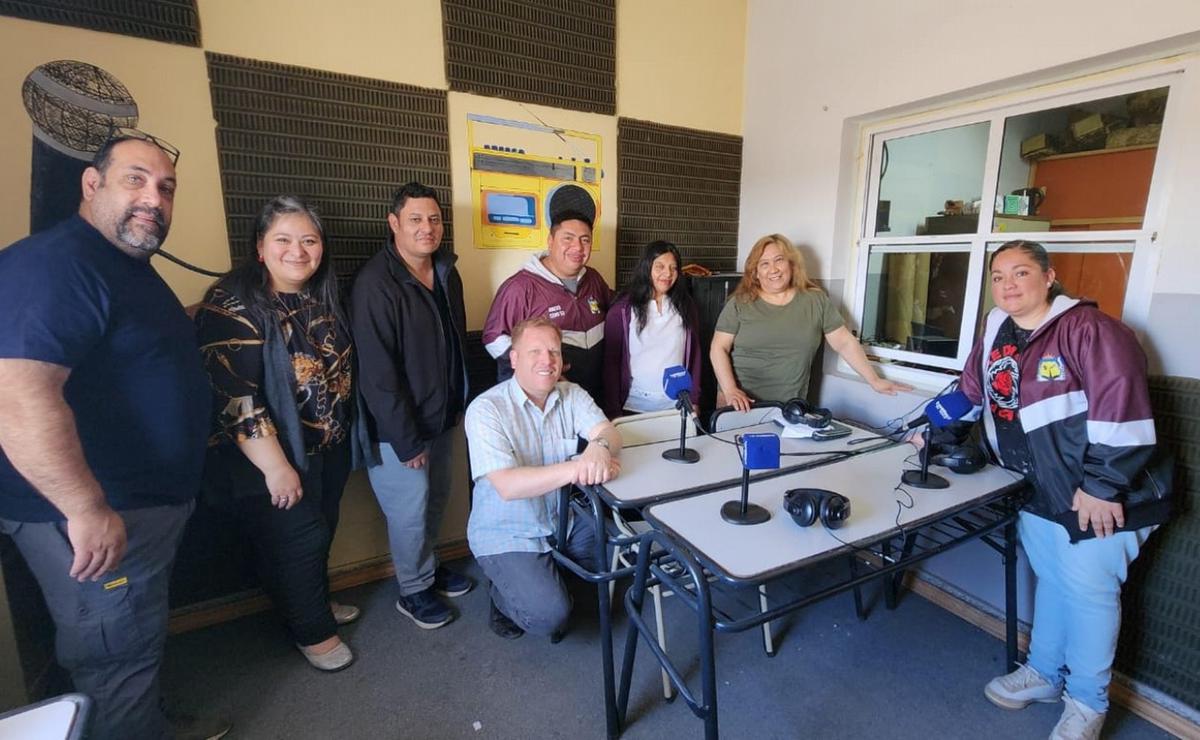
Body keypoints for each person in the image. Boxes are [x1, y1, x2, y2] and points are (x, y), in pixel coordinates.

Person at [0, 132, 229, 740]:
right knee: (113, 651)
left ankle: (143, 722)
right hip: (95, 517)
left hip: (140, 506)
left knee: (133, 640)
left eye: (166, 188)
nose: (153, 198)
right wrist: (85, 507)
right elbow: (17, 394)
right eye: (135, 179)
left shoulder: (121, 265)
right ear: (91, 183)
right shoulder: (54, 263)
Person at [961, 241, 1169, 740]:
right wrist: (930, 427)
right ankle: (1045, 674)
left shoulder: (1093, 330)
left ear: (1049, 277)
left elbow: (1125, 415)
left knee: (1089, 595)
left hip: (1104, 493)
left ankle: (1088, 704)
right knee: (1054, 582)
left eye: (1021, 272)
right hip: (1038, 487)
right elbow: (971, 391)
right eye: (998, 275)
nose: (1008, 285)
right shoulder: (996, 329)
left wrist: (1101, 487)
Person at [194, 195, 375, 671]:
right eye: (284, 240)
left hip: (326, 448)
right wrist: (276, 468)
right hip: (271, 456)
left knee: (319, 533)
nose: (298, 251)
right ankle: (313, 631)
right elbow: (237, 398)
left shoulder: (321, 296)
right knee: (298, 539)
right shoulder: (232, 302)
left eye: (309, 240)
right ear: (260, 247)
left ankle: (307, 604)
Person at [350, 182, 472, 630]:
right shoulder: (375, 284)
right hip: (399, 430)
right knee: (409, 511)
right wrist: (405, 440)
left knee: (436, 500)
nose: (427, 227)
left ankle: (428, 567)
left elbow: (454, 344)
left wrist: (459, 404)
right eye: (416, 219)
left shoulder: (445, 271)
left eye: (434, 219)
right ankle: (413, 590)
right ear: (394, 223)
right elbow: (377, 376)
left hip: (441, 418)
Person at [465, 318, 622, 640]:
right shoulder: (486, 409)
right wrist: (581, 465)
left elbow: (609, 432)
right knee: (551, 617)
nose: (547, 360)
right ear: (513, 358)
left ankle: (546, 575)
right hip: (508, 530)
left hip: (561, 518)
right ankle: (501, 596)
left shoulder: (572, 393)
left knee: (613, 560)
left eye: (553, 350)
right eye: (534, 350)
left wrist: (600, 446)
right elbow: (508, 486)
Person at [711, 233, 909, 410]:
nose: (773, 269)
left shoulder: (815, 300)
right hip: (740, 403)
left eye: (779, 260)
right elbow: (719, 348)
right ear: (755, 272)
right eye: (764, 263)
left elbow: (844, 342)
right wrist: (729, 390)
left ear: (791, 264)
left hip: (788, 405)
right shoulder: (741, 303)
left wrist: (874, 380)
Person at [482, 210, 612, 405]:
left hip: (591, 398)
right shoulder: (520, 287)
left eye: (585, 240)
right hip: (545, 402)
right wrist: (543, 370)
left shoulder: (593, 279)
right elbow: (494, 339)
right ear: (550, 241)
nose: (577, 247)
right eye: (568, 238)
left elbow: (615, 310)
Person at [602, 240, 701, 418]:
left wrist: (694, 400)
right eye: (660, 266)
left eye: (673, 268)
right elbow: (611, 365)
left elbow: (695, 356)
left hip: (677, 406)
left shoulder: (685, 306)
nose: (667, 274)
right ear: (647, 267)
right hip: (634, 406)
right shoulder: (622, 310)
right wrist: (613, 411)